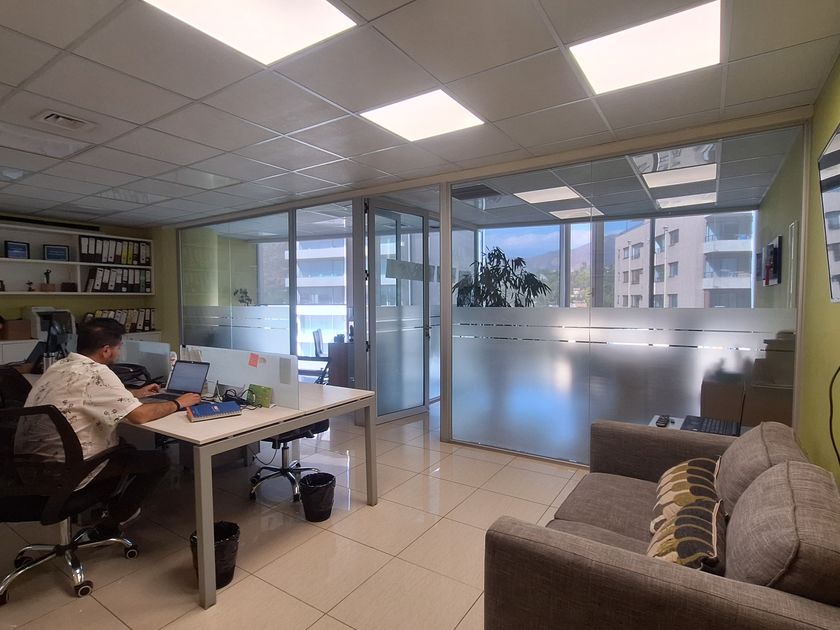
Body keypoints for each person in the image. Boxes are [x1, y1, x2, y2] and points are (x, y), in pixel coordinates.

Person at [16, 318, 201, 536]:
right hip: (67, 471)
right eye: (119, 347)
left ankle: (111, 504)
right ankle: (112, 522)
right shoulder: (97, 373)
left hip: (31, 465)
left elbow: (87, 394)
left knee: (126, 447)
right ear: (106, 350)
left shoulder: (61, 365)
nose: (119, 353)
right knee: (159, 460)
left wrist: (134, 394)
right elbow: (139, 416)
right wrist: (178, 403)